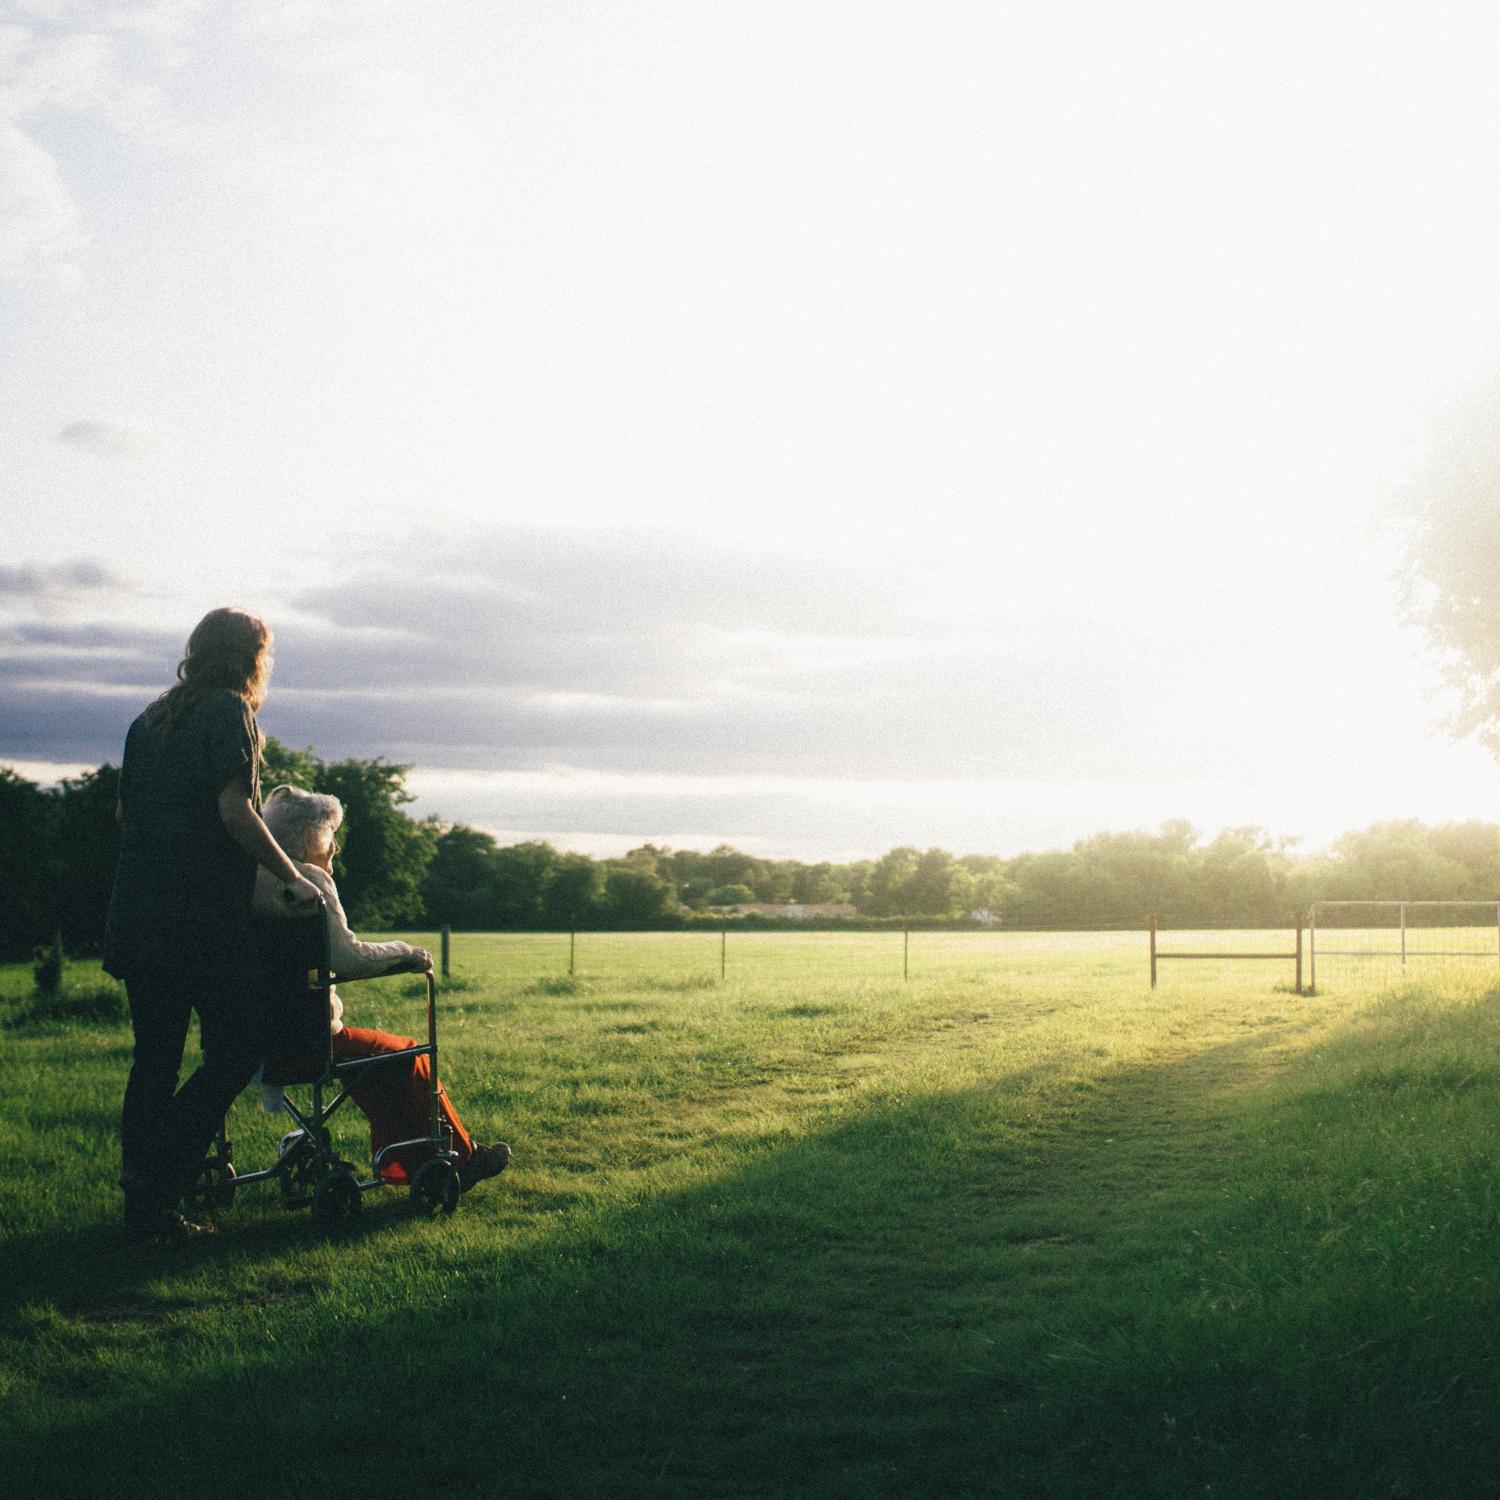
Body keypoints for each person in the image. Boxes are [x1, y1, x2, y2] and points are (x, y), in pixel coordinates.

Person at [104, 608, 323, 1241]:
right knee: (236, 1051)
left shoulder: (147, 721)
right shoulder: (231, 713)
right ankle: (158, 1183)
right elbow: (236, 811)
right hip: (196, 922)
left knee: (155, 1061)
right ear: (251, 657)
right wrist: (291, 875)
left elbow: (126, 813)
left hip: (137, 914)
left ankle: (142, 1205)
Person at [253, 784, 510, 1192]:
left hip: (252, 1039)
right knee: (406, 1054)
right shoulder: (308, 881)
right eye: (329, 835)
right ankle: (460, 1158)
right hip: (308, 1039)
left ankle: (402, 1164)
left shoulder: (252, 880)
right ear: (308, 838)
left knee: (377, 1061)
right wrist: (405, 952)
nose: (335, 847)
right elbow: (348, 959)